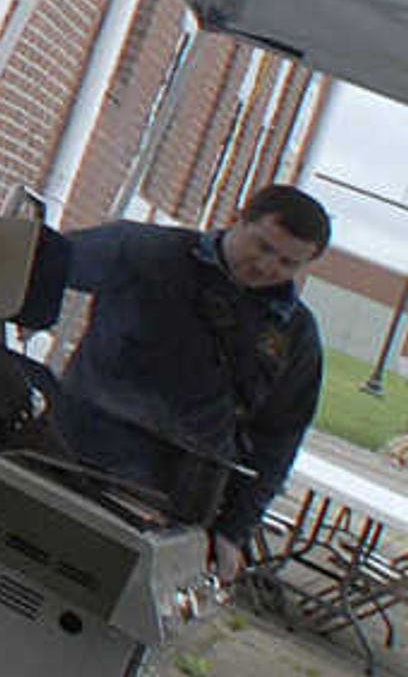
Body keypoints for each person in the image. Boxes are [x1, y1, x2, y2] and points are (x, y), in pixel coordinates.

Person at [39, 184, 330, 576]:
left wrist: (232, 532)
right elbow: (40, 262)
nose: (267, 267)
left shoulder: (295, 336)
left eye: (287, 263)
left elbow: (279, 439)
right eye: (262, 246)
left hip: (176, 498)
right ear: (238, 219)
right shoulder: (145, 251)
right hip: (68, 453)